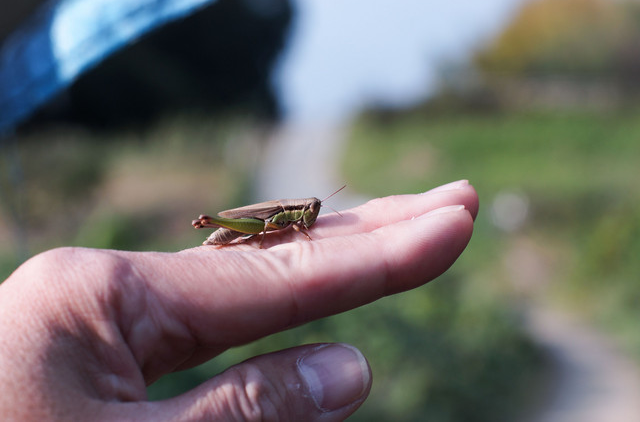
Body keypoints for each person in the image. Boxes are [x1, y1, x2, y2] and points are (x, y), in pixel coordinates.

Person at [0, 180, 477, 421]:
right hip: (244, 225)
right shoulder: (286, 215)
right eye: (310, 210)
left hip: (257, 226)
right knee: (254, 228)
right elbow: (272, 227)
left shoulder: (302, 214)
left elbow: (293, 224)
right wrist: (255, 230)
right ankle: (210, 224)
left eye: (313, 210)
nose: (312, 214)